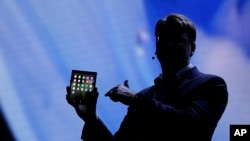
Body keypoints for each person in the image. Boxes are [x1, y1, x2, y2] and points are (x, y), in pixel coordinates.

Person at [66, 13, 228, 141]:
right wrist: (91, 119)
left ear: (191, 48)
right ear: (156, 47)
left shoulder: (212, 85)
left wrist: (136, 100)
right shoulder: (145, 95)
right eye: (163, 40)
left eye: (177, 40)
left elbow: (190, 124)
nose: (169, 45)